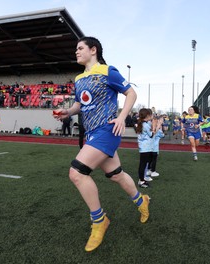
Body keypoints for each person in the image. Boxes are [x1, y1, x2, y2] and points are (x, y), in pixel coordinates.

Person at [52, 36, 149, 252]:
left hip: (107, 130)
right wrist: (67, 111)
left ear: (93, 50)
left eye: (80, 48)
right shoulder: (79, 78)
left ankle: (99, 220)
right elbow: (80, 103)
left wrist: (122, 117)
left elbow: (131, 93)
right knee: (116, 175)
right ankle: (142, 201)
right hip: (92, 133)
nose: (76, 52)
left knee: (76, 173)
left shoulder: (107, 71)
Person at [135, 108, 154, 187]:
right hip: (145, 147)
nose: (152, 116)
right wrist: (155, 129)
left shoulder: (142, 123)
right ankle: (141, 181)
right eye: (150, 115)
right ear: (147, 116)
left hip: (144, 147)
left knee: (144, 164)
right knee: (143, 164)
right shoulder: (145, 125)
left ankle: (142, 179)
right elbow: (151, 135)